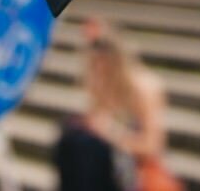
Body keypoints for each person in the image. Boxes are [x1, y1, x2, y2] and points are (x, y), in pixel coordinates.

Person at [53, 19, 177, 191]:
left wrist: (111, 132)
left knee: (87, 148)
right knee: (71, 138)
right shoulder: (101, 83)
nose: (98, 70)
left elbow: (152, 147)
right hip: (109, 165)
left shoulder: (144, 87)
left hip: (135, 170)